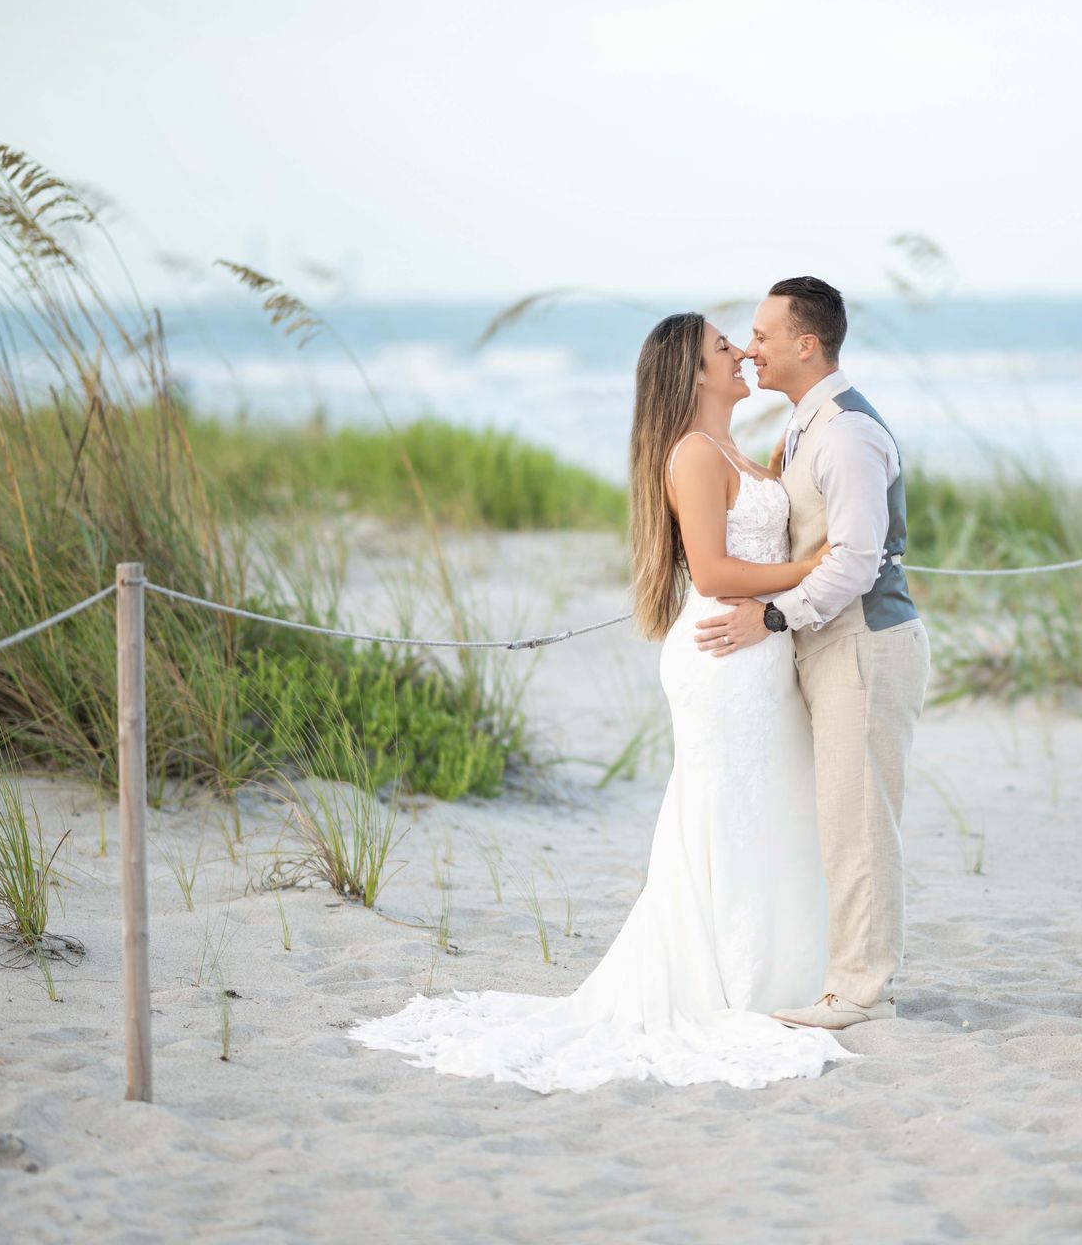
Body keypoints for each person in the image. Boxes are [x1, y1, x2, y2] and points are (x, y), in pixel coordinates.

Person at [346, 311, 849, 1092]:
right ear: (693, 374)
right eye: (725, 347)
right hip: (724, 655)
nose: (743, 350)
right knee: (729, 810)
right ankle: (741, 987)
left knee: (767, 806)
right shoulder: (690, 453)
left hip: (758, 653)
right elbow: (713, 573)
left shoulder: (733, 449)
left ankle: (780, 975)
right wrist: (810, 567)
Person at [694, 276, 931, 1031]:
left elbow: (857, 562)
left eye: (763, 335)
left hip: (864, 644)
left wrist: (771, 616)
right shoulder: (805, 427)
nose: (751, 346)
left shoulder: (849, 434)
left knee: (860, 821)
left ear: (808, 343)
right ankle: (840, 972)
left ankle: (861, 989)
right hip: (827, 647)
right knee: (836, 817)